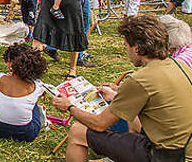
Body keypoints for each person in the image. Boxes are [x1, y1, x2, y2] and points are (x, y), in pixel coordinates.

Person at [53, 15, 192, 162]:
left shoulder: (141, 79)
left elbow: (100, 124)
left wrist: (69, 107)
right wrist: (116, 96)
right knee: (133, 122)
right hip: (184, 148)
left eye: (126, 46)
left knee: (78, 131)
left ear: (137, 49)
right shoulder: (180, 66)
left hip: (167, 155)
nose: (127, 52)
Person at [0, 43, 48, 142]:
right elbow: (42, 92)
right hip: (26, 134)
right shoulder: (36, 86)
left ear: (11, 64)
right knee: (33, 104)